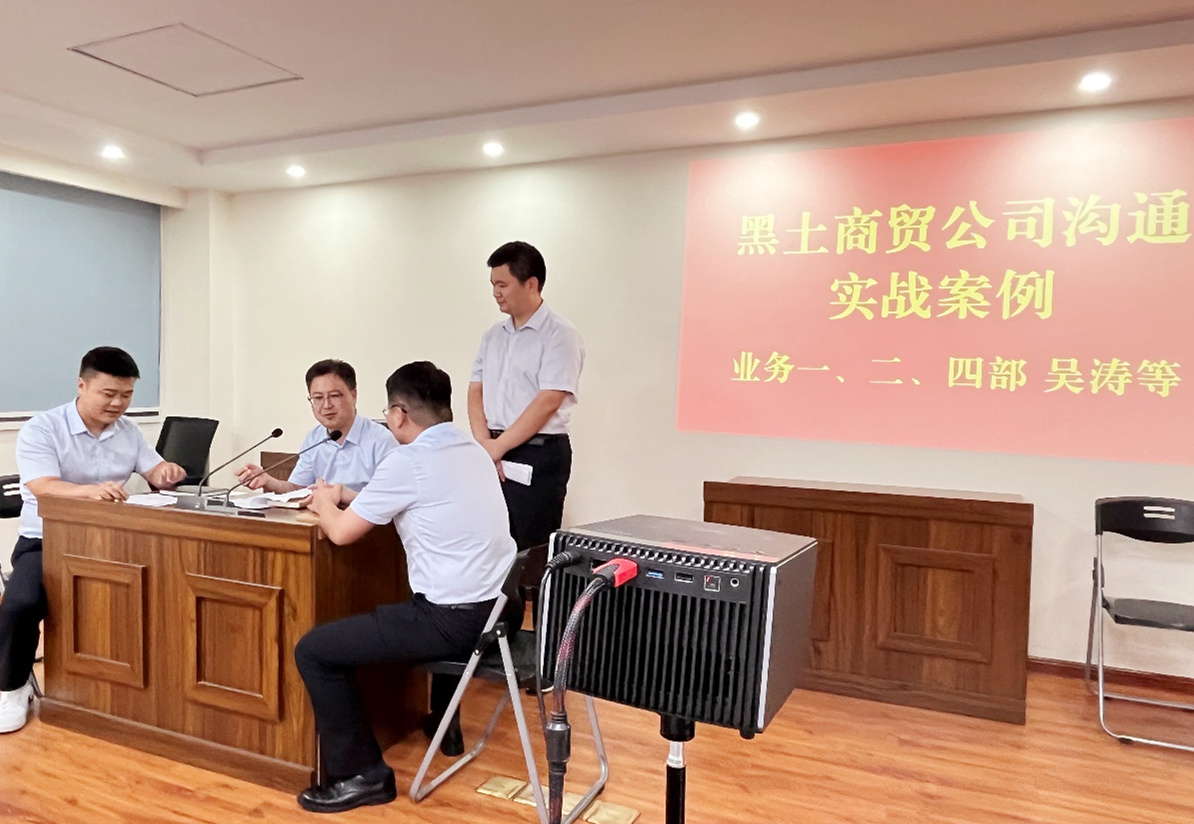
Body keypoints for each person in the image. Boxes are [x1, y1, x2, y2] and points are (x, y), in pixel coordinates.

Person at [294, 361, 514, 814]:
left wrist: (323, 502)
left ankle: (362, 775)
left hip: (452, 622)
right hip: (500, 613)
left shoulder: (407, 460)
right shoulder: (474, 451)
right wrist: (346, 496)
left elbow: (341, 533)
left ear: (398, 414)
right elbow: (409, 498)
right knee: (379, 617)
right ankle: (431, 724)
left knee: (314, 650)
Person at [0, 347, 186, 733]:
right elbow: (41, 485)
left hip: (114, 541)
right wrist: (89, 491)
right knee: (21, 604)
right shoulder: (43, 428)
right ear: (82, 386)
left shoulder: (128, 431)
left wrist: (165, 472)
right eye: (109, 394)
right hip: (47, 541)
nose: (118, 403)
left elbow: (154, 469)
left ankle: (132, 687)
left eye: (127, 395)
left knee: (156, 591)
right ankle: (12, 688)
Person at [468, 240, 585, 552]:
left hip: (537, 452)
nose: (496, 293)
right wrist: (484, 445)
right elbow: (475, 389)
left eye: (503, 284)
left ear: (531, 284)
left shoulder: (560, 334)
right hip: (491, 449)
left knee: (530, 550)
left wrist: (497, 448)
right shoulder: (493, 336)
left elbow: (549, 400)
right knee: (491, 545)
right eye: (493, 285)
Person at [234, 359, 395, 496]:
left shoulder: (381, 441)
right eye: (317, 398)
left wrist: (341, 496)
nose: (326, 405)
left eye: (334, 396)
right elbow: (298, 489)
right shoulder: (314, 439)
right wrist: (268, 481)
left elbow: (387, 500)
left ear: (353, 396)